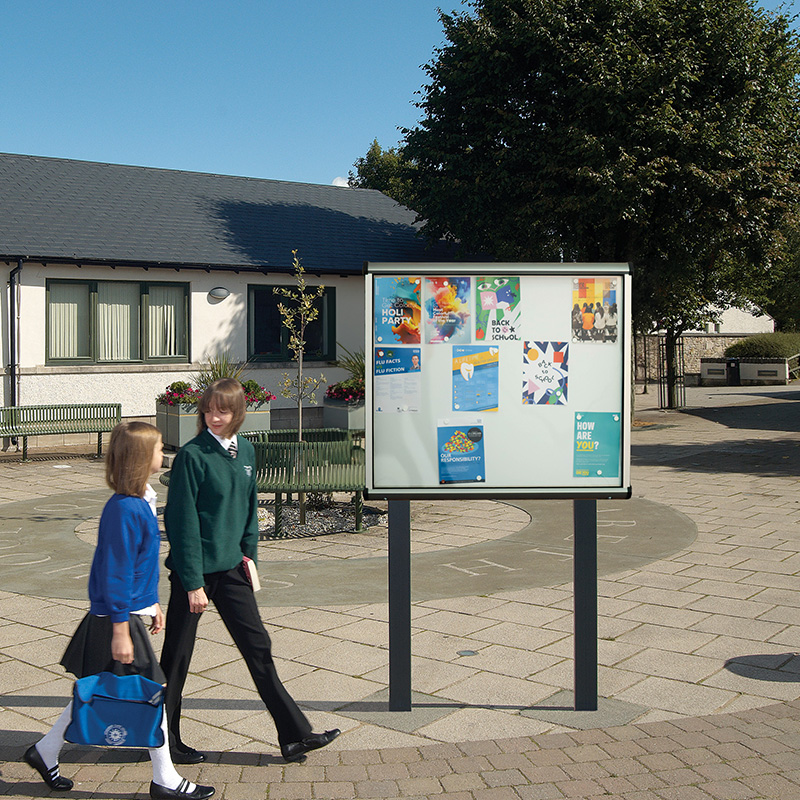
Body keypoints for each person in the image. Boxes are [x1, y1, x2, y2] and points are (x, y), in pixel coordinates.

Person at [23, 421, 214, 800]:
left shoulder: (141, 500)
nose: (165, 453)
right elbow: (114, 572)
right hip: (115, 620)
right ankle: (166, 780)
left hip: (125, 614)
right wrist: (122, 629)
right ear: (142, 458)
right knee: (153, 693)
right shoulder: (124, 510)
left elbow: (137, 568)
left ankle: (44, 751)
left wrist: (153, 603)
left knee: (94, 693)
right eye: (160, 448)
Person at [160, 378, 339, 765]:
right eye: (208, 409)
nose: (214, 417)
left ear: (238, 412)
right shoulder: (193, 456)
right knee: (176, 660)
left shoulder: (246, 451)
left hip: (232, 571)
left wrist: (250, 556)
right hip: (196, 575)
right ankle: (163, 742)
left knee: (259, 649)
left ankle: (294, 735)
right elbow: (182, 522)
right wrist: (192, 582)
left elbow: (248, 509)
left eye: (222, 410)